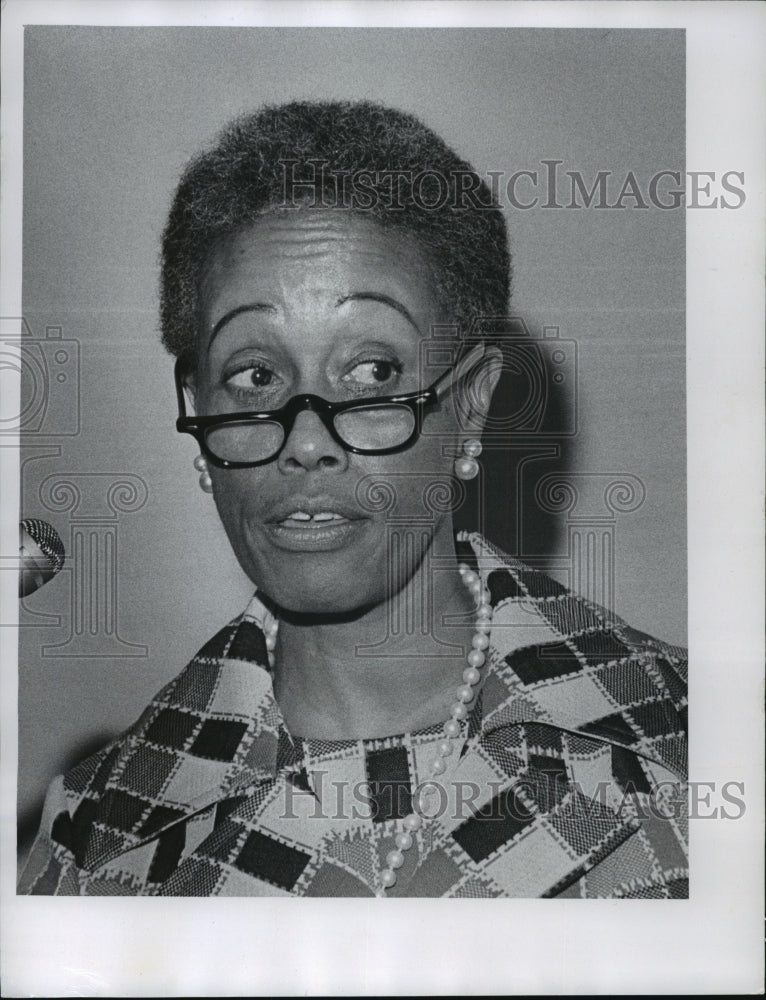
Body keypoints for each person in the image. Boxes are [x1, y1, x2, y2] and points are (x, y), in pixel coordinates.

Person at [19, 101, 688, 898]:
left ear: (471, 401)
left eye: (372, 373)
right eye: (256, 376)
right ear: (198, 414)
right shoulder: (97, 833)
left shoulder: (687, 744)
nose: (307, 443)